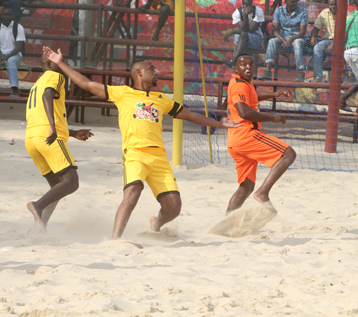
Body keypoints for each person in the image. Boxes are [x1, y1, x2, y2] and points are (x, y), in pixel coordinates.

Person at [42, 46, 241, 239]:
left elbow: (189, 115)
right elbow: (86, 84)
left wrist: (218, 123)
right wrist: (61, 63)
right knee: (132, 193)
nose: (157, 72)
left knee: (173, 208)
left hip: (159, 158)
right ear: (138, 72)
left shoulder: (162, 99)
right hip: (135, 154)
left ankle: (156, 224)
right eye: (152, 69)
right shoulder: (122, 93)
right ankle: (115, 241)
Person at [25, 53, 94, 230]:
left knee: (57, 186)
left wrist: (72, 133)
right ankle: (38, 206)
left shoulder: (38, 82)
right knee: (71, 182)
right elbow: (48, 96)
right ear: (49, 64)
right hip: (48, 137)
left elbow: (42, 109)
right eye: (60, 62)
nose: (63, 64)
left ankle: (40, 227)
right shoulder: (56, 76)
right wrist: (53, 127)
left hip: (32, 139)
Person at [226, 53, 296, 214]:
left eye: (251, 64)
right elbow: (244, 112)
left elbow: (252, 98)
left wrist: (274, 94)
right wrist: (273, 117)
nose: (248, 67)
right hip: (246, 135)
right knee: (288, 154)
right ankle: (263, 193)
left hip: (235, 140)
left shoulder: (244, 83)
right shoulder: (239, 85)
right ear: (235, 68)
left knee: (246, 187)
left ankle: (224, 223)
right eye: (243, 64)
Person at [262, 0, 307, 82]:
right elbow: (274, 30)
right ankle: (268, 70)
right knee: (272, 41)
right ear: (285, 2)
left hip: (296, 37)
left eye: (295, 1)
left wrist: (290, 40)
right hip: (282, 37)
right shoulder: (279, 10)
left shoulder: (303, 11)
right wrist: (283, 40)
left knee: (297, 43)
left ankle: (300, 72)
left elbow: (302, 32)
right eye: (291, 2)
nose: (294, 4)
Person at [223, 0, 265, 66]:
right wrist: (244, 14)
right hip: (243, 38)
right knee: (240, 36)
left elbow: (252, 30)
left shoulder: (258, 10)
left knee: (241, 35)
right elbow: (243, 29)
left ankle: (234, 60)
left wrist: (233, 30)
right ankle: (236, 65)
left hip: (256, 37)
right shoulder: (237, 12)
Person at [311, 0, 336, 82]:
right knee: (317, 48)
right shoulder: (324, 12)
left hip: (342, 40)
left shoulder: (346, 14)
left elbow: (347, 35)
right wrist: (313, 37)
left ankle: (339, 78)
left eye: (335, 4)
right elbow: (315, 29)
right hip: (327, 40)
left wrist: (334, 44)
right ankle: (318, 77)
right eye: (331, 4)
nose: (332, 7)